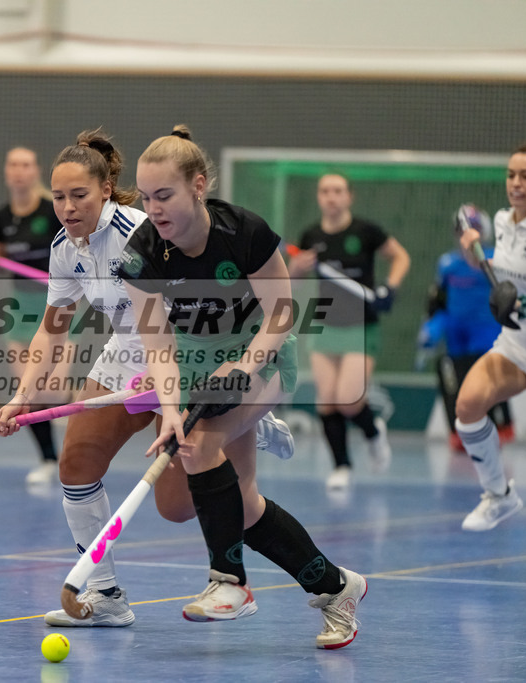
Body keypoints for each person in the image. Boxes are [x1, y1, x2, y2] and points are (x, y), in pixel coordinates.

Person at [0, 129, 294, 630]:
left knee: (176, 508)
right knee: (77, 464)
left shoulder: (144, 229)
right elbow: (53, 329)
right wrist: (23, 395)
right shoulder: (65, 249)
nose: (67, 207)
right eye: (60, 196)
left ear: (106, 190)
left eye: (79, 195)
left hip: (178, 355)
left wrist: (186, 381)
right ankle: (106, 595)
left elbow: (203, 309)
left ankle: (246, 421)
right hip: (122, 357)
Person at [118, 125, 366, 649]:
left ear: (198, 186)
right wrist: (168, 410)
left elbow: (282, 314)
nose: (153, 208)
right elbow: (159, 348)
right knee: (243, 503)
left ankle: (230, 584)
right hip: (193, 362)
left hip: (263, 354)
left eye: (164, 195)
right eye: (146, 197)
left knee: (202, 445)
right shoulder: (142, 254)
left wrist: (245, 368)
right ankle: (337, 587)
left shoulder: (244, 232)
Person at [288, 173, 410, 490]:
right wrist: (297, 269)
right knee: (326, 402)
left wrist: (390, 288)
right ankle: (342, 467)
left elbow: (400, 257)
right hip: (325, 324)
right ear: (319, 197)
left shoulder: (366, 232)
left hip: (361, 325)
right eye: (325, 191)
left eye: (338, 191)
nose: (331, 197)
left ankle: (373, 433)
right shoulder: (310, 235)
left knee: (349, 400)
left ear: (349, 196)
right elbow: (293, 281)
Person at [454, 142, 526, 532]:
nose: (516, 183)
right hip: (519, 346)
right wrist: (474, 253)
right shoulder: (504, 221)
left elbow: (519, 295)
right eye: (511, 175)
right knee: (468, 406)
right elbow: (504, 276)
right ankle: (499, 495)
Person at [0, 147, 67, 486]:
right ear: (6, 171)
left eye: (26, 164)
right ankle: (47, 459)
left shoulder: (52, 210)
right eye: (13, 164)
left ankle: (65, 422)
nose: (19, 171)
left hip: (57, 304)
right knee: (27, 390)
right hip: (20, 308)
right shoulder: (1, 217)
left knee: (53, 390)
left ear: (36, 170)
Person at [417, 209, 512, 451]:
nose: (466, 234)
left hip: (488, 330)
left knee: (486, 382)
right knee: (455, 379)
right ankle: (460, 433)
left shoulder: (496, 260)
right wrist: (431, 327)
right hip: (457, 332)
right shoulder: (448, 264)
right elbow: (438, 299)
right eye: (461, 230)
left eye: (473, 228)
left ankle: (499, 426)